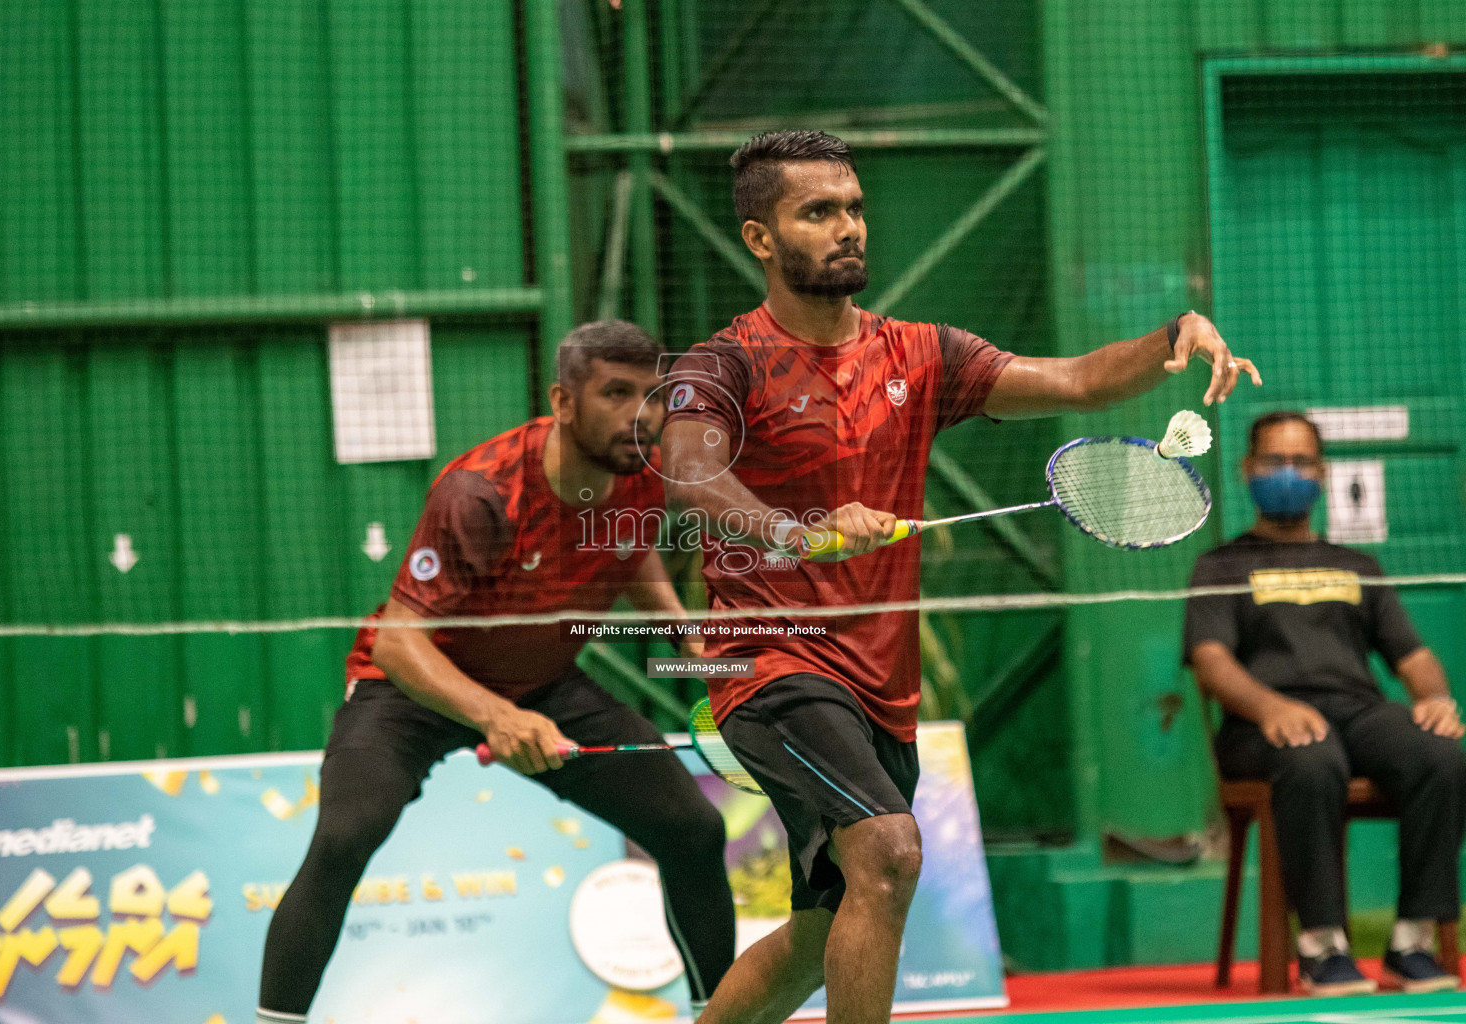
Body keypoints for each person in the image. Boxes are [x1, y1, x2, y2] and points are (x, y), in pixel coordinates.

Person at [659, 129, 1260, 1024]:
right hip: (770, 665)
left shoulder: (919, 355)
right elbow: (690, 471)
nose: (848, 227)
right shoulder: (724, 365)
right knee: (892, 853)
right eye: (818, 212)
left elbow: (1075, 381)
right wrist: (800, 533)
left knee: (826, 937)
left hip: (879, 686)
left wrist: (1175, 334)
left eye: (854, 207)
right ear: (759, 239)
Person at [255, 320, 734, 1024]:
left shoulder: (640, 473)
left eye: (653, 395)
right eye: (616, 393)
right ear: (563, 402)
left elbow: (630, 550)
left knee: (690, 827)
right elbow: (398, 644)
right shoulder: (481, 494)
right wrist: (495, 716)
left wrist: (683, 632)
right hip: (414, 689)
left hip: (542, 683)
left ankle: (724, 1016)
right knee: (344, 835)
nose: (641, 414)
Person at [1185, 411, 1465, 997]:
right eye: (1272, 462)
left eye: (1300, 462)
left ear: (1321, 472)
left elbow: (1411, 658)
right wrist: (1268, 708)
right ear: (1247, 469)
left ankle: (1411, 941)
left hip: (1357, 711)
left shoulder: (1358, 566)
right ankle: (1322, 948)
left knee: (1442, 754)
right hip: (1259, 723)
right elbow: (1212, 663)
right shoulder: (1221, 565)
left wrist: (1436, 699)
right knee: (1313, 757)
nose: (1287, 473)